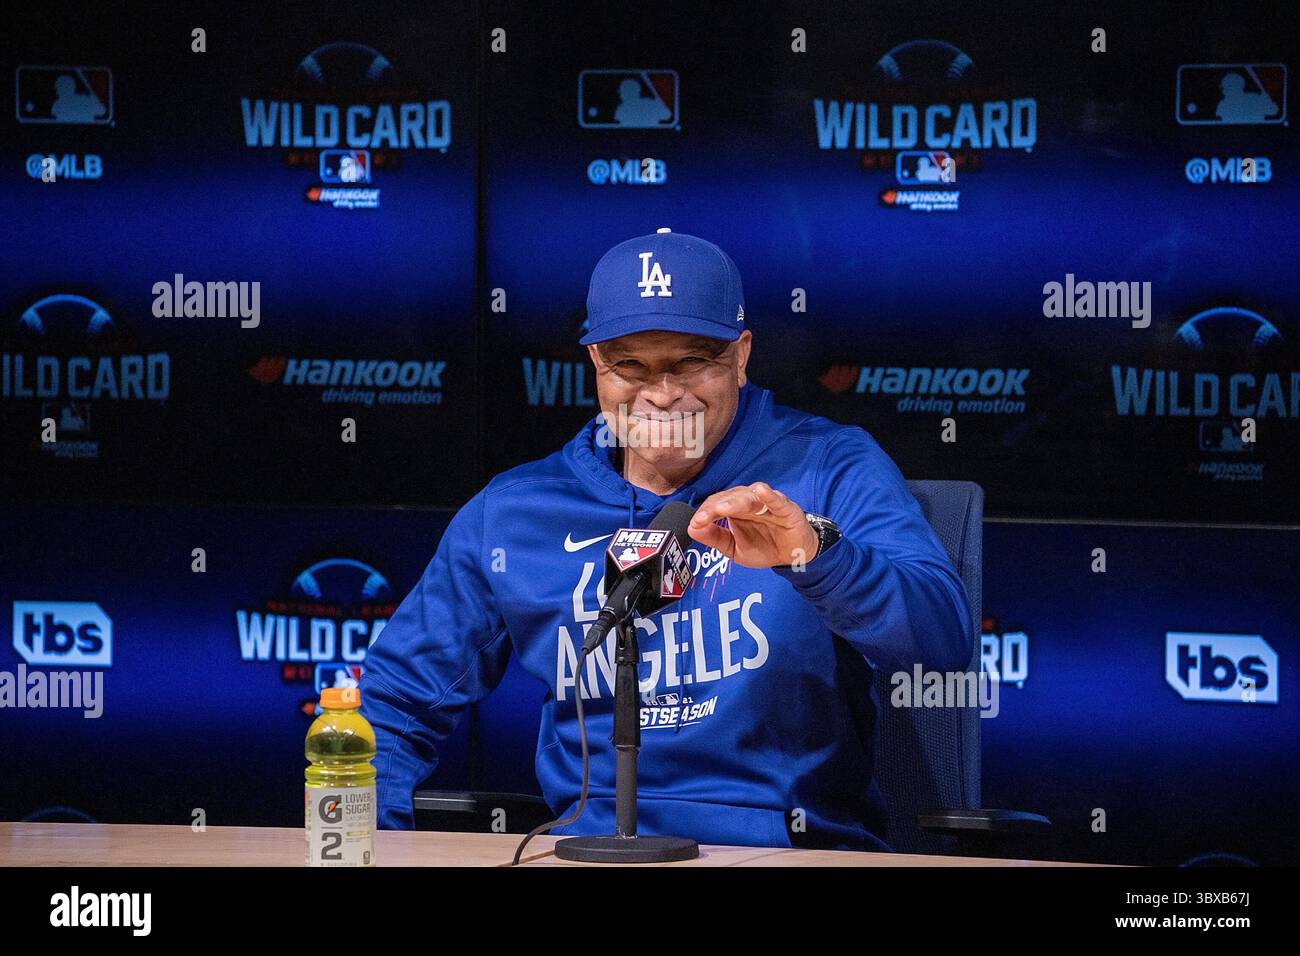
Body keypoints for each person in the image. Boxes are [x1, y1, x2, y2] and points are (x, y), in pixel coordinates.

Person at [360, 228, 972, 850]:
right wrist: (368, 845)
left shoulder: (829, 466)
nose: (661, 393)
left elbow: (941, 642)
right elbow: (391, 702)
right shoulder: (516, 511)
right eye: (631, 364)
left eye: (690, 361)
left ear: (740, 355)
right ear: (596, 364)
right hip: (591, 853)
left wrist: (813, 553)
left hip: (783, 850)